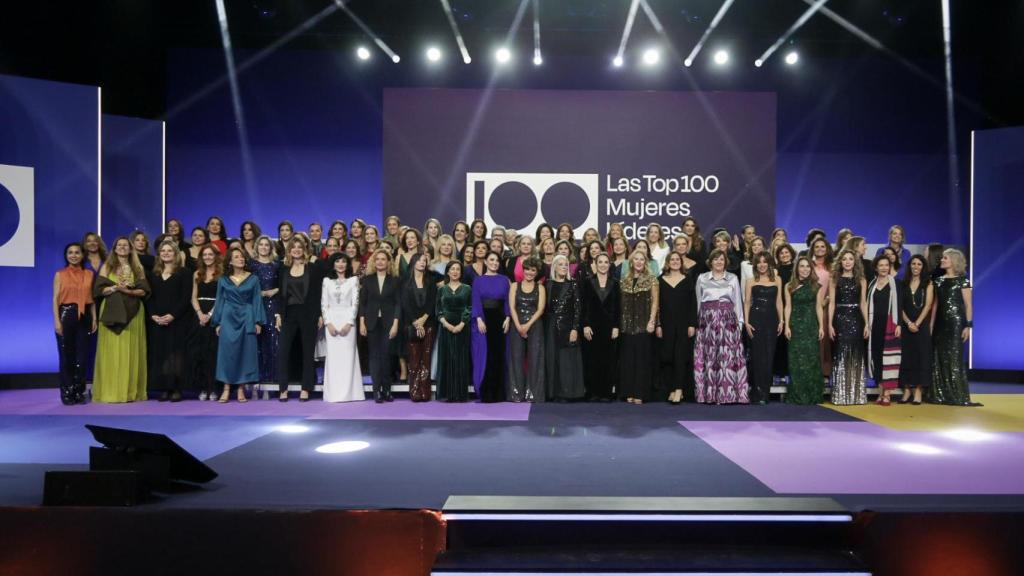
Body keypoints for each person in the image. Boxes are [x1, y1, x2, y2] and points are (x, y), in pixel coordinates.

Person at [92, 236, 150, 403]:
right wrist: (115, 287)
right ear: (115, 248)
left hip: (134, 313)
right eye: (120, 245)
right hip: (111, 311)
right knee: (111, 351)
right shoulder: (107, 266)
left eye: (126, 245)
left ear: (131, 249)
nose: (123, 247)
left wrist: (129, 291)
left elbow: (144, 292)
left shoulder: (137, 267)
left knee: (131, 350)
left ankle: (131, 392)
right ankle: (111, 392)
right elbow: (99, 290)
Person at [694, 249, 748, 404]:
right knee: (709, 357)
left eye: (721, 259)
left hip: (728, 322)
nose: (719, 262)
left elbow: (737, 301)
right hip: (707, 323)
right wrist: (697, 324)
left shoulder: (732, 278)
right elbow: (698, 302)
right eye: (716, 259)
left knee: (727, 358)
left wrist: (739, 323)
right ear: (710, 262)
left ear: (726, 262)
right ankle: (709, 394)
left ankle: (728, 395)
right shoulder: (702, 278)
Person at [211, 247, 265, 402]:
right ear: (230, 261)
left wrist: (258, 321)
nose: (241, 259)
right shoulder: (223, 279)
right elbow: (220, 300)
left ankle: (241, 389)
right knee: (227, 354)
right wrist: (217, 322)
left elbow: (256, 299)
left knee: (245, 353)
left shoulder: (253, 279)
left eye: (242, 257)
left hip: (247, 317)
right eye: (237, 256)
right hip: (228, 318)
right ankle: (226, 389)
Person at [275, 238, 323, 402]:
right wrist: (278, 315)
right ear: (289, 250)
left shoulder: (312, 268)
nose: (296, 249)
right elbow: (281, 295)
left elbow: (317, 294)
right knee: (283, 351)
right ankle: (283, 388)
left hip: (308, 314)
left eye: (299, 247)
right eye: (293, 247)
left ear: (304, 249)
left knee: (307, 352)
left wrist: (320, 314)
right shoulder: (284, 269)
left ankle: (306, 388)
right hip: (288, 314)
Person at [928, 249, 976, 406]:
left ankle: (956, 394)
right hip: (940, 323)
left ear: (954, 261)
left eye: (945, 258)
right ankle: (940, 394)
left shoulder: (963, 281)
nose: (942, 260)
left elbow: (968, 305)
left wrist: (968, 326)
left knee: (954, 358)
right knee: (938, 356)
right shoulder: (939, 281)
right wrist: (931, 325)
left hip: (956, 323)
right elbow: (935, 306)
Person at [146, 241, 192, 402]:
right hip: (157, 321)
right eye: (163, 251)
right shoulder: (153, 273)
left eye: (169, 251)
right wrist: (153, 315)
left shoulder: (185, 272)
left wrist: (172, 315)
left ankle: (176, 388)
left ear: (176, 253)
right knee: (161, 354)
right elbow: (149, 297)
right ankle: (164, 388)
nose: (166, 253)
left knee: (176, 354)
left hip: (177, 320)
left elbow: (185, 298)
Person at [53, 242, 96, 404]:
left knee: (82, 357)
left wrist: (94, 318)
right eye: (70, 252)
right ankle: (67, 392)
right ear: (66, 255)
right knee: (66, 357)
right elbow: (55, 299)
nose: (73, 255)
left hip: (84, 316)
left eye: (77, 252)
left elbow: (91, 299)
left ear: (82, 255)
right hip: (66, 314)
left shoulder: (89, 274)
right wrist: (57, 321)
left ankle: (79, 391)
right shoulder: (60, 274)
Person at [828, 249, 870, 405]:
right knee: (841, 353)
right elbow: (831, 303)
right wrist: (829, 324)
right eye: (844, 259)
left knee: (856, 354)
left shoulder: (862, 280)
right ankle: (840, 395)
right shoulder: (834, 279)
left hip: (856, 319)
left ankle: (856, 395)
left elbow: (863, 303)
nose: (847, 261)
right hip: (839, 318)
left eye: (850, 259)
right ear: (840, 261)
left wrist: (866, 324)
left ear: (855, 261)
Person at [360, 249, 401, 403]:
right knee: (374, 357)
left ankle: (387, 390)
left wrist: (395, 324)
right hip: (371, 323)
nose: (380, 261)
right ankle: (376, 390)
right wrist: (362, 322)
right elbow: (362, 303)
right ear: (373, 261)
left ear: (388, 262)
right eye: (377, 259)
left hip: (389, 323)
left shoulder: (395, 280)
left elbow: (398, 304)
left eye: (383, 259)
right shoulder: (368, 280)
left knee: (386, 356)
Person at [320, 253, 363, 402]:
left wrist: (349, 322)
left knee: (348, 357)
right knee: (333, 358)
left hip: (348, 322)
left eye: (344, 262)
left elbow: (355, 304)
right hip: (331, 321)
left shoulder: (353, 280)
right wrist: (328, 323)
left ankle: (349, 394)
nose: (340, 264)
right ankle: (333, 393)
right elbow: (324, 304)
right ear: (333, 264)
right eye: (337, 261)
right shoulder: (326, 281)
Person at [618, 249, 659, 404]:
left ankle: (640, 393)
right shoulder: (624, 281)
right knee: (628, 360)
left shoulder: (652, 280)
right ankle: (628, 391)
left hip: (644, 325)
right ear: (631, 262)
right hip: (627, 326)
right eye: (636, 259)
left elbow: (655, 302)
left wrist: (652, 321)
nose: (639, 262)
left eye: (642, 259)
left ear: (645, 262)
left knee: (642, 360)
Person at [656, 252, 697, 404]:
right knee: (667, 357)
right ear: (667, 262)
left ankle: (679, 389)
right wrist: (658, 324)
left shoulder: (688, 280)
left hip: (683, 324)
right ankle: (671, 389)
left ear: (681, 262)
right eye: (671, 259)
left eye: (677, 259)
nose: (674, 262)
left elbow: (693, 303)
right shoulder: (660, 280)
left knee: (680, 357)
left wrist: (693, 324)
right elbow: (657, 305)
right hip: (666, 325)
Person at [744, 252, 784, 404]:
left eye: (764, 262)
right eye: (759, 262)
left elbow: (779, 301)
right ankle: (757, 392)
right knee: (756, 356)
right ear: (755, 265)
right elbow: (747, 302)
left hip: (772, 320)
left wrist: (782, 321)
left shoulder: (777, 279)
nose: (762, 265)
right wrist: (746, 322)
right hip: (755, 320)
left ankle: (765, 392)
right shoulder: (750, 281)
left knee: (769, 355)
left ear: (769, 263)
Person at [784, 256, 825, 404]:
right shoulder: (789, 286)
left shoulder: (817, 286)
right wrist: (787, 325)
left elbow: (819, 307)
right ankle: (798, 395)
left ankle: (812, 394)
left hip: (810, 326)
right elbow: (787, 306)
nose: (805, 269)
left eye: (808, 266)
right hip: (795, 326)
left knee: (811, 359)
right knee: (796, 361)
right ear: (797, 268)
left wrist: (821, 326)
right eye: (802, 266)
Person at [471, 252, 511, 402]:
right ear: (486, 262)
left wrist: (508, 317)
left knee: (499, 354)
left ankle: (499, 393)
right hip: (484, 320)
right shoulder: (478, 281)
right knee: (485, 356)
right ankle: (486, 392)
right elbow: (475, 300)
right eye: (491, 260)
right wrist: (479, 319)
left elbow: (508, 300)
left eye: (497, 260)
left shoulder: (505, 280)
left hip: (500, 320)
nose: (494, 263)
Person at [544, 254, 585, 402]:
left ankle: (567, 393)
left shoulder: (573, 284)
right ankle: (552, 393)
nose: (563, 267)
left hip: (567, 326)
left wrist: (575, 329)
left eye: (565, 265)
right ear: (554, 267)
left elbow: (578, 309)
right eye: (560, 264)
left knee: (566, 361)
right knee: (551, 358)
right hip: (550, 327)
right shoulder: (547, 284)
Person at [582, 253, 620, 402]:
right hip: (591, 327)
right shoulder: (587, 282)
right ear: (595, 264)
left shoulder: (615, 283)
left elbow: (618, 307)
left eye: (606, 262)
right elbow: (583, 306)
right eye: (600, 262)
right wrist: (585, 325)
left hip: (609, 327)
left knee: (608, 360)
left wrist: (616, 326)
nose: (603, 264)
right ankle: (592, 392)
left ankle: (606, 392)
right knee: (591, 360)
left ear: (609, 265)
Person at [866, 254, 904, 405]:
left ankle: (887, 394)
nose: (884, 268)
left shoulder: (896, 284)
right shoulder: (871, 284)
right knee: (876, 358)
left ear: (890, 267)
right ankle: (881, 391)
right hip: (874, 326)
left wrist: (899, 324)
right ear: (876, 267)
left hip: (890, 326)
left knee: (889, 359)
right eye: (881, 265)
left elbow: (900, 305)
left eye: (886, 265)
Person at [508, 257, 546, 402]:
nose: (529, 272)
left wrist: (528, 325)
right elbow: (512, 307)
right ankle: (516, 393)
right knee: (516, 359)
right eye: (527, 269)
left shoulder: (540, 287)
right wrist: (518, 326)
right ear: (522, 270)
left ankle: (533, 394)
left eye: (533, 270)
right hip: (516, 324)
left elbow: (541, 309)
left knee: (535, 359)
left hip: (535, 325)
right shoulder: (514, 286)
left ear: (536, 272)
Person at [401, 253, 438, 401]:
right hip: (411, 324)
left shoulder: (431, 281)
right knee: (414, 359)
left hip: (428, 324)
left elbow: (432, 302)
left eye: (425, 261)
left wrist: (423, 320)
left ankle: (425, 391)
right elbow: (405, 304)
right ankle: (415, 391)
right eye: (419, 260)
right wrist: (416, 322)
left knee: (426, 359)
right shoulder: (405, 282)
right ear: (413, 262)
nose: (422, 263)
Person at [898, 255, 933, 405]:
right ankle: (906, 389)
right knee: (906, 357)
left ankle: (918, 390)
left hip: (921, 326)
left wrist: (917, 323)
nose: (916, 266)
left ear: (923, 267)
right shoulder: (903, 283)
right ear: (909, 266)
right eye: (913, 263)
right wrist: (907, 323)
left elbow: (928, 306)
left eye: (919, 264)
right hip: (906, 326)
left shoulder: (928, 284)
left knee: (921, 356)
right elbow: (899, 306)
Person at [436, 261, 472, 402]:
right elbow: (438, 310)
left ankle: (460, 394)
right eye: (452, 269)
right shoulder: (441, 290)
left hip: (462, 328)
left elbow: (470, 307)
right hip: (445, 329)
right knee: (447, 358)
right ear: (448, 272)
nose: (455, 271)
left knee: (461, 360)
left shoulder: (467, 289)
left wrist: (462, 324)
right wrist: (446, 324)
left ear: (461, 272)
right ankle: (448, 394)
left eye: (458, 269)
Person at [189, 245, 222, 400]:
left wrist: (209, 314)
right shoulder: (197, 274)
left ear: (216, 256)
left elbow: (222, 298)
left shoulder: (222, 275)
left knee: (213, 353)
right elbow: (193, 297)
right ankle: (203, 388)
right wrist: (200, 314)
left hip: (215, 314)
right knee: (199, 353)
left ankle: (214, 388)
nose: (208, 257)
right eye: (205, 255)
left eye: (210, 254)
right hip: (198, 316)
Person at [810, 236, 834, 377]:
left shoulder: (832, 266)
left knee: (824, 339)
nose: (820, 249)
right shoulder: (808, 265)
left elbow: (834, 287)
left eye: (822, 246)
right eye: (817, 246)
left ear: (827, 249)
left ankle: (825, 372)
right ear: (813, 249)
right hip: (809, 305)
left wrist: (826, 301)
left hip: (826, 306)